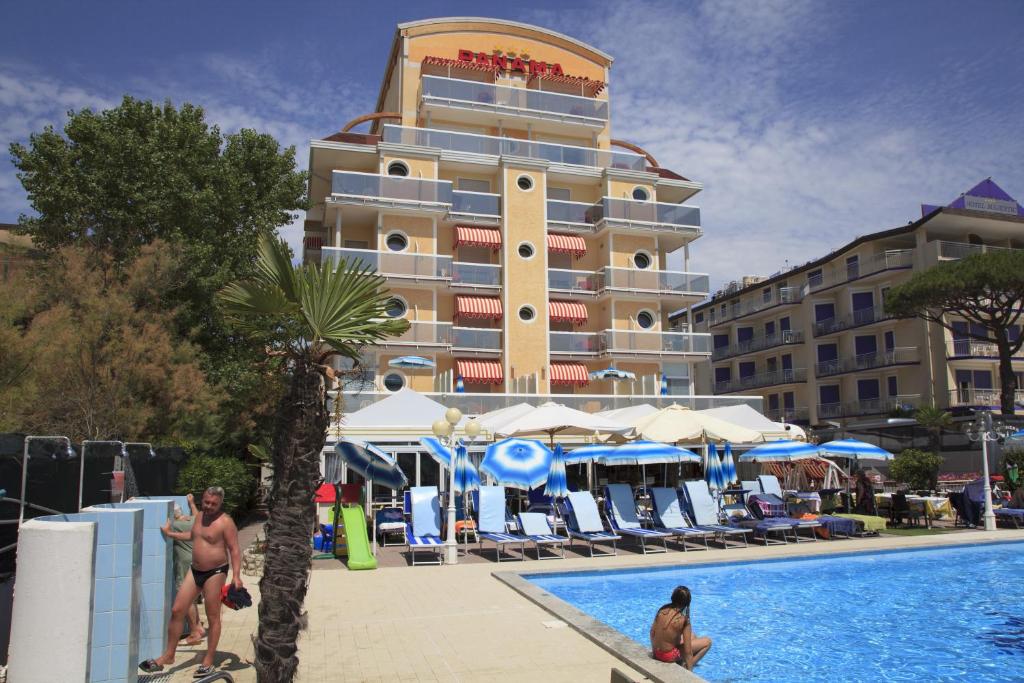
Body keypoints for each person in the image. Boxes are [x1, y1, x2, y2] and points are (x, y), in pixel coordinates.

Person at [139, 486, 243, 678]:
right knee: (177, 610)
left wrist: (236, 576)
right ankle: (168, 656)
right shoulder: (199, 517)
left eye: (214, 503)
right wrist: (170, 534)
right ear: (202, 499)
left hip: (215, 571)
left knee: (213, 617)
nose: (209, 506)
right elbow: (193, 536)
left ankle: (208, 660)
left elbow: (234, 550)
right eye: (206, 502)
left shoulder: (226, 522)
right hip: (195, 570)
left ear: (220, 503)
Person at [649, 585, 712, 671]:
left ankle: (683, 661)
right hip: (668, 656)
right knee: (707, 641)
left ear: (673, 597)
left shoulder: (662, 610)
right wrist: (690, 674)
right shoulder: (684, 619)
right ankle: (687, 666)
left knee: (692, 636)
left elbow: (652, 633)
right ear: (687, 602)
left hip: (656, 652)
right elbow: (688, 651)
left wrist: (655, 653)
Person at [170, 501, 206, 646]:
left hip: (184, 565)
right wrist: (192, 503)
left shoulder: (174, 525)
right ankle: (199, 627)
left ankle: (194, 633)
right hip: (197, 562)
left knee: (186, 599)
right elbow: (197, 515)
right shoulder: (194, 520)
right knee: (191, 597)